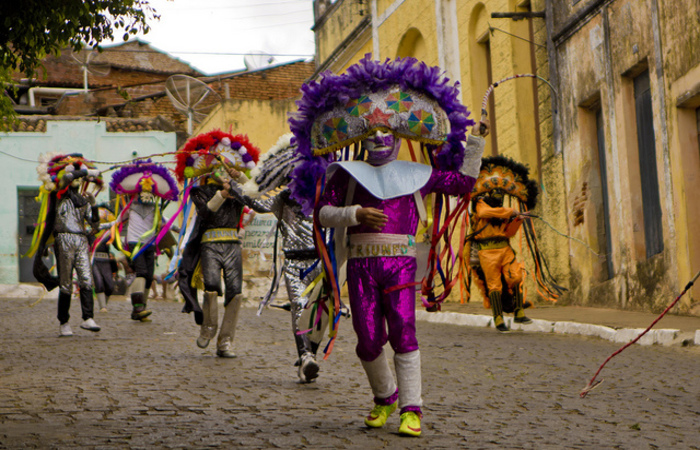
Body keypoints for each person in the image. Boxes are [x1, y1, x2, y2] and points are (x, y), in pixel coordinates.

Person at [288, 56, 486, 437]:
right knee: (366, 339)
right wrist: (355, 214)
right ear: (361, 139)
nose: (380, 140)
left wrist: (476, 143)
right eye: (372, 136)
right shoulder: (346, 175)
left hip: (400, 264)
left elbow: (463, 184)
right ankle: (385, 397)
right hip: (360, 266)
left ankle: (412, 409)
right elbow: (322, 213)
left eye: (387, 135)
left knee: (404, 333)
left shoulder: (417, 175)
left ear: (399, 137)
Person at [229, 134, 330, 382]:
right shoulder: (283, 198)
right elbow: (259, 203)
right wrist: (237, 184)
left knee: (319, 311)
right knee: (298, 307)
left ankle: (310, 355)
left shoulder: (325, 196)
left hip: (321, 262)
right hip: (294, 262)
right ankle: (306, 356)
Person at [174, 130, 260, 358]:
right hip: (209, 245)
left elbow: (255, 195)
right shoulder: (199, 191)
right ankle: (208, 328)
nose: (223, 172)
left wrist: (240, 179)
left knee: (236, 292)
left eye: (227, 168)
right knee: (211, 286)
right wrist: (222, 193)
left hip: (232, 245)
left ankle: (226, 341)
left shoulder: (238, 192)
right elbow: (206, 212)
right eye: (219, 168)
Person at [30, 153, 103, 336]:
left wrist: (93, 206)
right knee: (66, 283)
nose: (77, 180)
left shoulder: (83, 200)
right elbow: (67, 178)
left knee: (86, 280)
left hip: (81, 240)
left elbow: (94, 227)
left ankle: (88, 318)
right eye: (76, 175)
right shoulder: (59, 194)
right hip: (63, 239)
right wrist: (86, 171)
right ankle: (64, 322)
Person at [468, 155, 539, 332]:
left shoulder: (502, 213)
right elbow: (485, 213)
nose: (498, 196)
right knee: (494, 285)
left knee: (516, 276)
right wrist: (510, 211)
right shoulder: (480, 204)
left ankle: (519, 312)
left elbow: (509, 233)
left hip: (504, 248)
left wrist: (517, 220)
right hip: (487, 252)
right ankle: (498, 318)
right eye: (495, 193)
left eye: (501, 194)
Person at [110, 159, 180, 322]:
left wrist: (179, 229)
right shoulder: (130, 207)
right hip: (135, 244)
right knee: (141, 272)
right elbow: (117, 221)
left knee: (149, 276)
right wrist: (103, 227)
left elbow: (165, 222)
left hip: (150, 245)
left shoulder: (155, 208)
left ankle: (142, 307)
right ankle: (137, 307)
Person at [90, 205, 118, 312]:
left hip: (106, 261)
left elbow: (117, 246)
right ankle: (102, 307)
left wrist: (115, 234)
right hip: (94, 261)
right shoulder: (90, 232)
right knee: (99, 282)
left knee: (110, 286)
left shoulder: (108, 234)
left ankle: (104, 304)